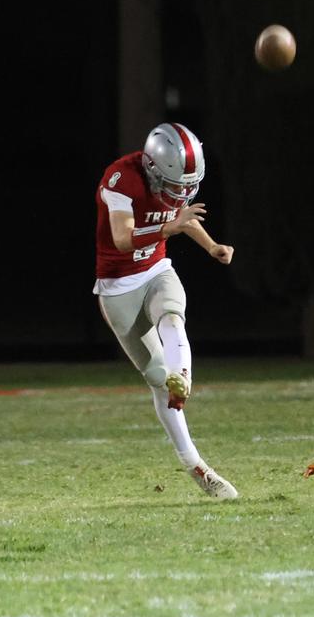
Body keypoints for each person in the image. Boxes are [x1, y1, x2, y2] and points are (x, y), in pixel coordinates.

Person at [93, 122, 239, 499]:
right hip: (118, 288)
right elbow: (123, 238)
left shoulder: (174, 180)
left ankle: (183, 374)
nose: (182, 194)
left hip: (156, 270)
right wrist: (170, 228)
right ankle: (195, 465)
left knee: (173, 316)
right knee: (157, 379)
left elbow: (181, 220)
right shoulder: (121, 179)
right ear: (155, 167)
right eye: (175, 186)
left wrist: (211, 247)